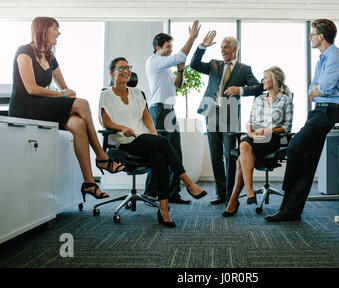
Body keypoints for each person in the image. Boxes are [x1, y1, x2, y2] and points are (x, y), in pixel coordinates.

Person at [8, 16, 123, 203]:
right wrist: (63, 95)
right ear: (42, 30)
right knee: (83, 103)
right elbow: (31, 88)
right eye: (55, 28)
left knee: (78, 124)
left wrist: (67, 93)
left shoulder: (51, 57)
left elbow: (64, 87)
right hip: (25, 107)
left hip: (43, 107)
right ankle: (101, 156)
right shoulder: (24, 52)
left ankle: (89, 182)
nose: (59, 33)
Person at [99, 57, 207, 227]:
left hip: (142, 137)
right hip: (125, 141)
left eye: (128, 67)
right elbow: (105, 122)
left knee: (160, 157)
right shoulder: (106, 94)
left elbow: (147, 118)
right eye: (121, 68)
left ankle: (163, 209)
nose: (126, 70)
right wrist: (120, 127)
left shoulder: (137, 93)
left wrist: (154, 137)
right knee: (163, 142)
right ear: (112, 73)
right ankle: (187, 181)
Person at [265, 19, 339, 222]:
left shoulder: (336, 56)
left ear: (321, 36)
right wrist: (316, 91)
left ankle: (288, 204)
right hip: (320, 111)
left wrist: (317, 91)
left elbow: (325, 89)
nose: (310, 38)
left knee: (295, 148)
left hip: (330, 111)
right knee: (307, 158)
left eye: (312, 34)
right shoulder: (322, 59)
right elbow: (311, 91)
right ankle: (291, 210)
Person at [190, 32, 263, 205]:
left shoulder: (244, 69)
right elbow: (193, 64)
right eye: (221, 47)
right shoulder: (214, 64)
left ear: (235, 49)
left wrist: (240, 89)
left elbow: (257, 88)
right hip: (211, 113)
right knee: (215, 156)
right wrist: (202, 46)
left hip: (230, 116)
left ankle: (232, 194)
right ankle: (220, 194)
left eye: (226, 46)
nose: (223, 50)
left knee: (230, 156)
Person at [223, 66, 293, 217]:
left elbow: (287, 127)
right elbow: (251, 120)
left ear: (275, 80)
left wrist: (270, 130)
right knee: (244, 145)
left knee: (242, 154)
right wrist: (250, 131)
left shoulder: (286, 100)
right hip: (255, 135)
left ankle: (235, 200)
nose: (262, 81)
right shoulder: (259, 98)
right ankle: (248, 192)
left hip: (270, 137)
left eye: (265, 78)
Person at [144, 21, 200, 205]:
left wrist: (181, 71)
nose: (170, 50)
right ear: (158, 47)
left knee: (175, 153)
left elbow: (178, 84)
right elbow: (181, 55)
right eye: (168, 47)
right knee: (159, 152)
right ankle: (150, 193)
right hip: (159, 110)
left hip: (170, 111)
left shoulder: (164, 67)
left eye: (171, 47)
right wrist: (192, 38)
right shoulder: (154, 61)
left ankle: (173, 193)